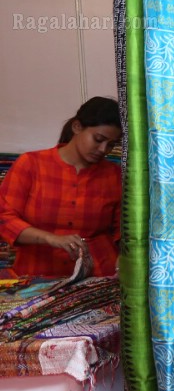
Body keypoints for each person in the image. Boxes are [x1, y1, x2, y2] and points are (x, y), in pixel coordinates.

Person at [0, 97, 122, 277]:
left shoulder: (114, 175)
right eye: (98, 139)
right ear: (77, 127)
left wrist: (124, 259)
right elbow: (4, 218)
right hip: (38, 276)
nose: (103, 149)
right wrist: (50, 238)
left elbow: (125, 230)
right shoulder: (31, 164)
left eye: (110, 145)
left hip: (98, 275)